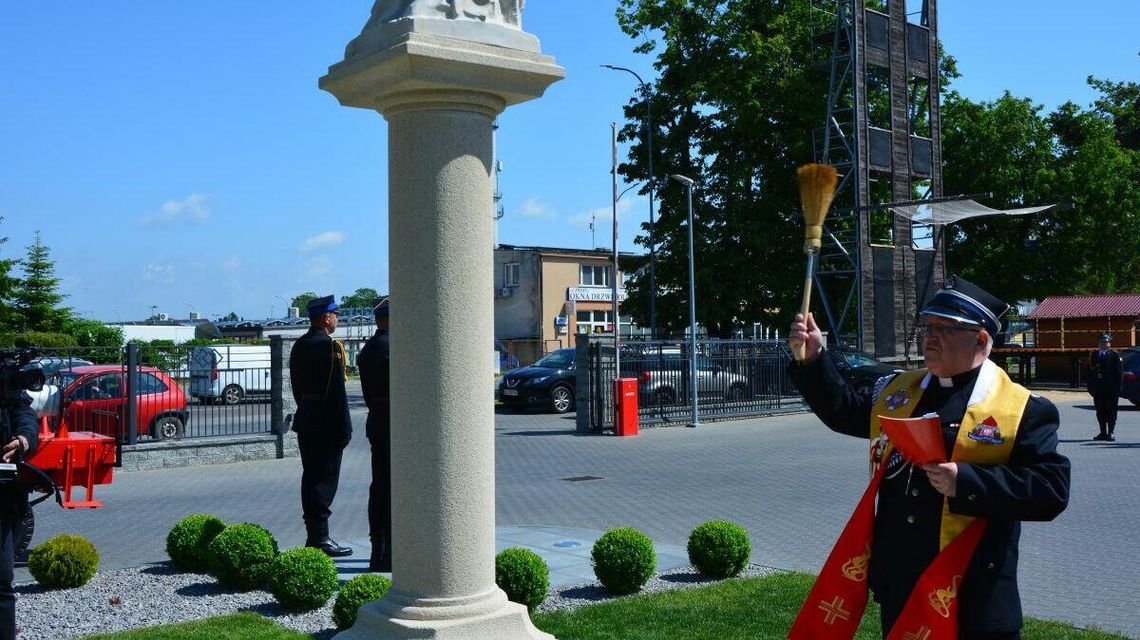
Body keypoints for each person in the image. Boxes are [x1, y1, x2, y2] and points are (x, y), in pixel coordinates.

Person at [788, 275, 1070, 640]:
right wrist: (815, 360)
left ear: (981, 340)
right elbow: (845, 410)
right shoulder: (900, 390)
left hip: (974, 595)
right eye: (929, 326)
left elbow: (1051, 491)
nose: (930, 337)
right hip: (903, 584)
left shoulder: (1023, 410)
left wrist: (964, 481)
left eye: (946, 329)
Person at [289, 294, 353, 557]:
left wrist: (308, 409)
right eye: (335, 314)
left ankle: (314, 535)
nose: (337, 318)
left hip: (306, 418)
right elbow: (336, 391)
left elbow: (296, 388)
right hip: (327, 423)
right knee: (325, 480)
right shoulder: (329, 347)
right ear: (326, 317)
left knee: (311, 477)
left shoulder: (300, 344)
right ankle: (321, 538)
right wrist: (346, 427)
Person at [357, 297, 391, 572]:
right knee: (393, 489)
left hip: (377, 420)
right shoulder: (395, 347)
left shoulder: (368, 348)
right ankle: (390, 552)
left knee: (379, 487)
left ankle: (377, 551)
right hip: (396, 424)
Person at [1, 389, 37, 640]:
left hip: (2, 498)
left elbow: (25, 415)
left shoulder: (5, 382)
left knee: (1, 580)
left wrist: (23, 440)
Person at [1088, 333, 1122, 442]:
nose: (1104, 345)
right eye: (1102, 343)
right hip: (1098, 388)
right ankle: (1102, 432)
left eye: (1106, 343)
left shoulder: (1115, 355)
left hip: (1111, 389)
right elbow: (1090, 372)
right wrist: (1090, 387)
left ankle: (1110, 432)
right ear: (1099, 343)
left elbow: (1119, 373)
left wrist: (1119, 388)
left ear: (1109, 344)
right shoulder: (1094, 355)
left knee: (1111, 411)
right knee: (1100, 410)